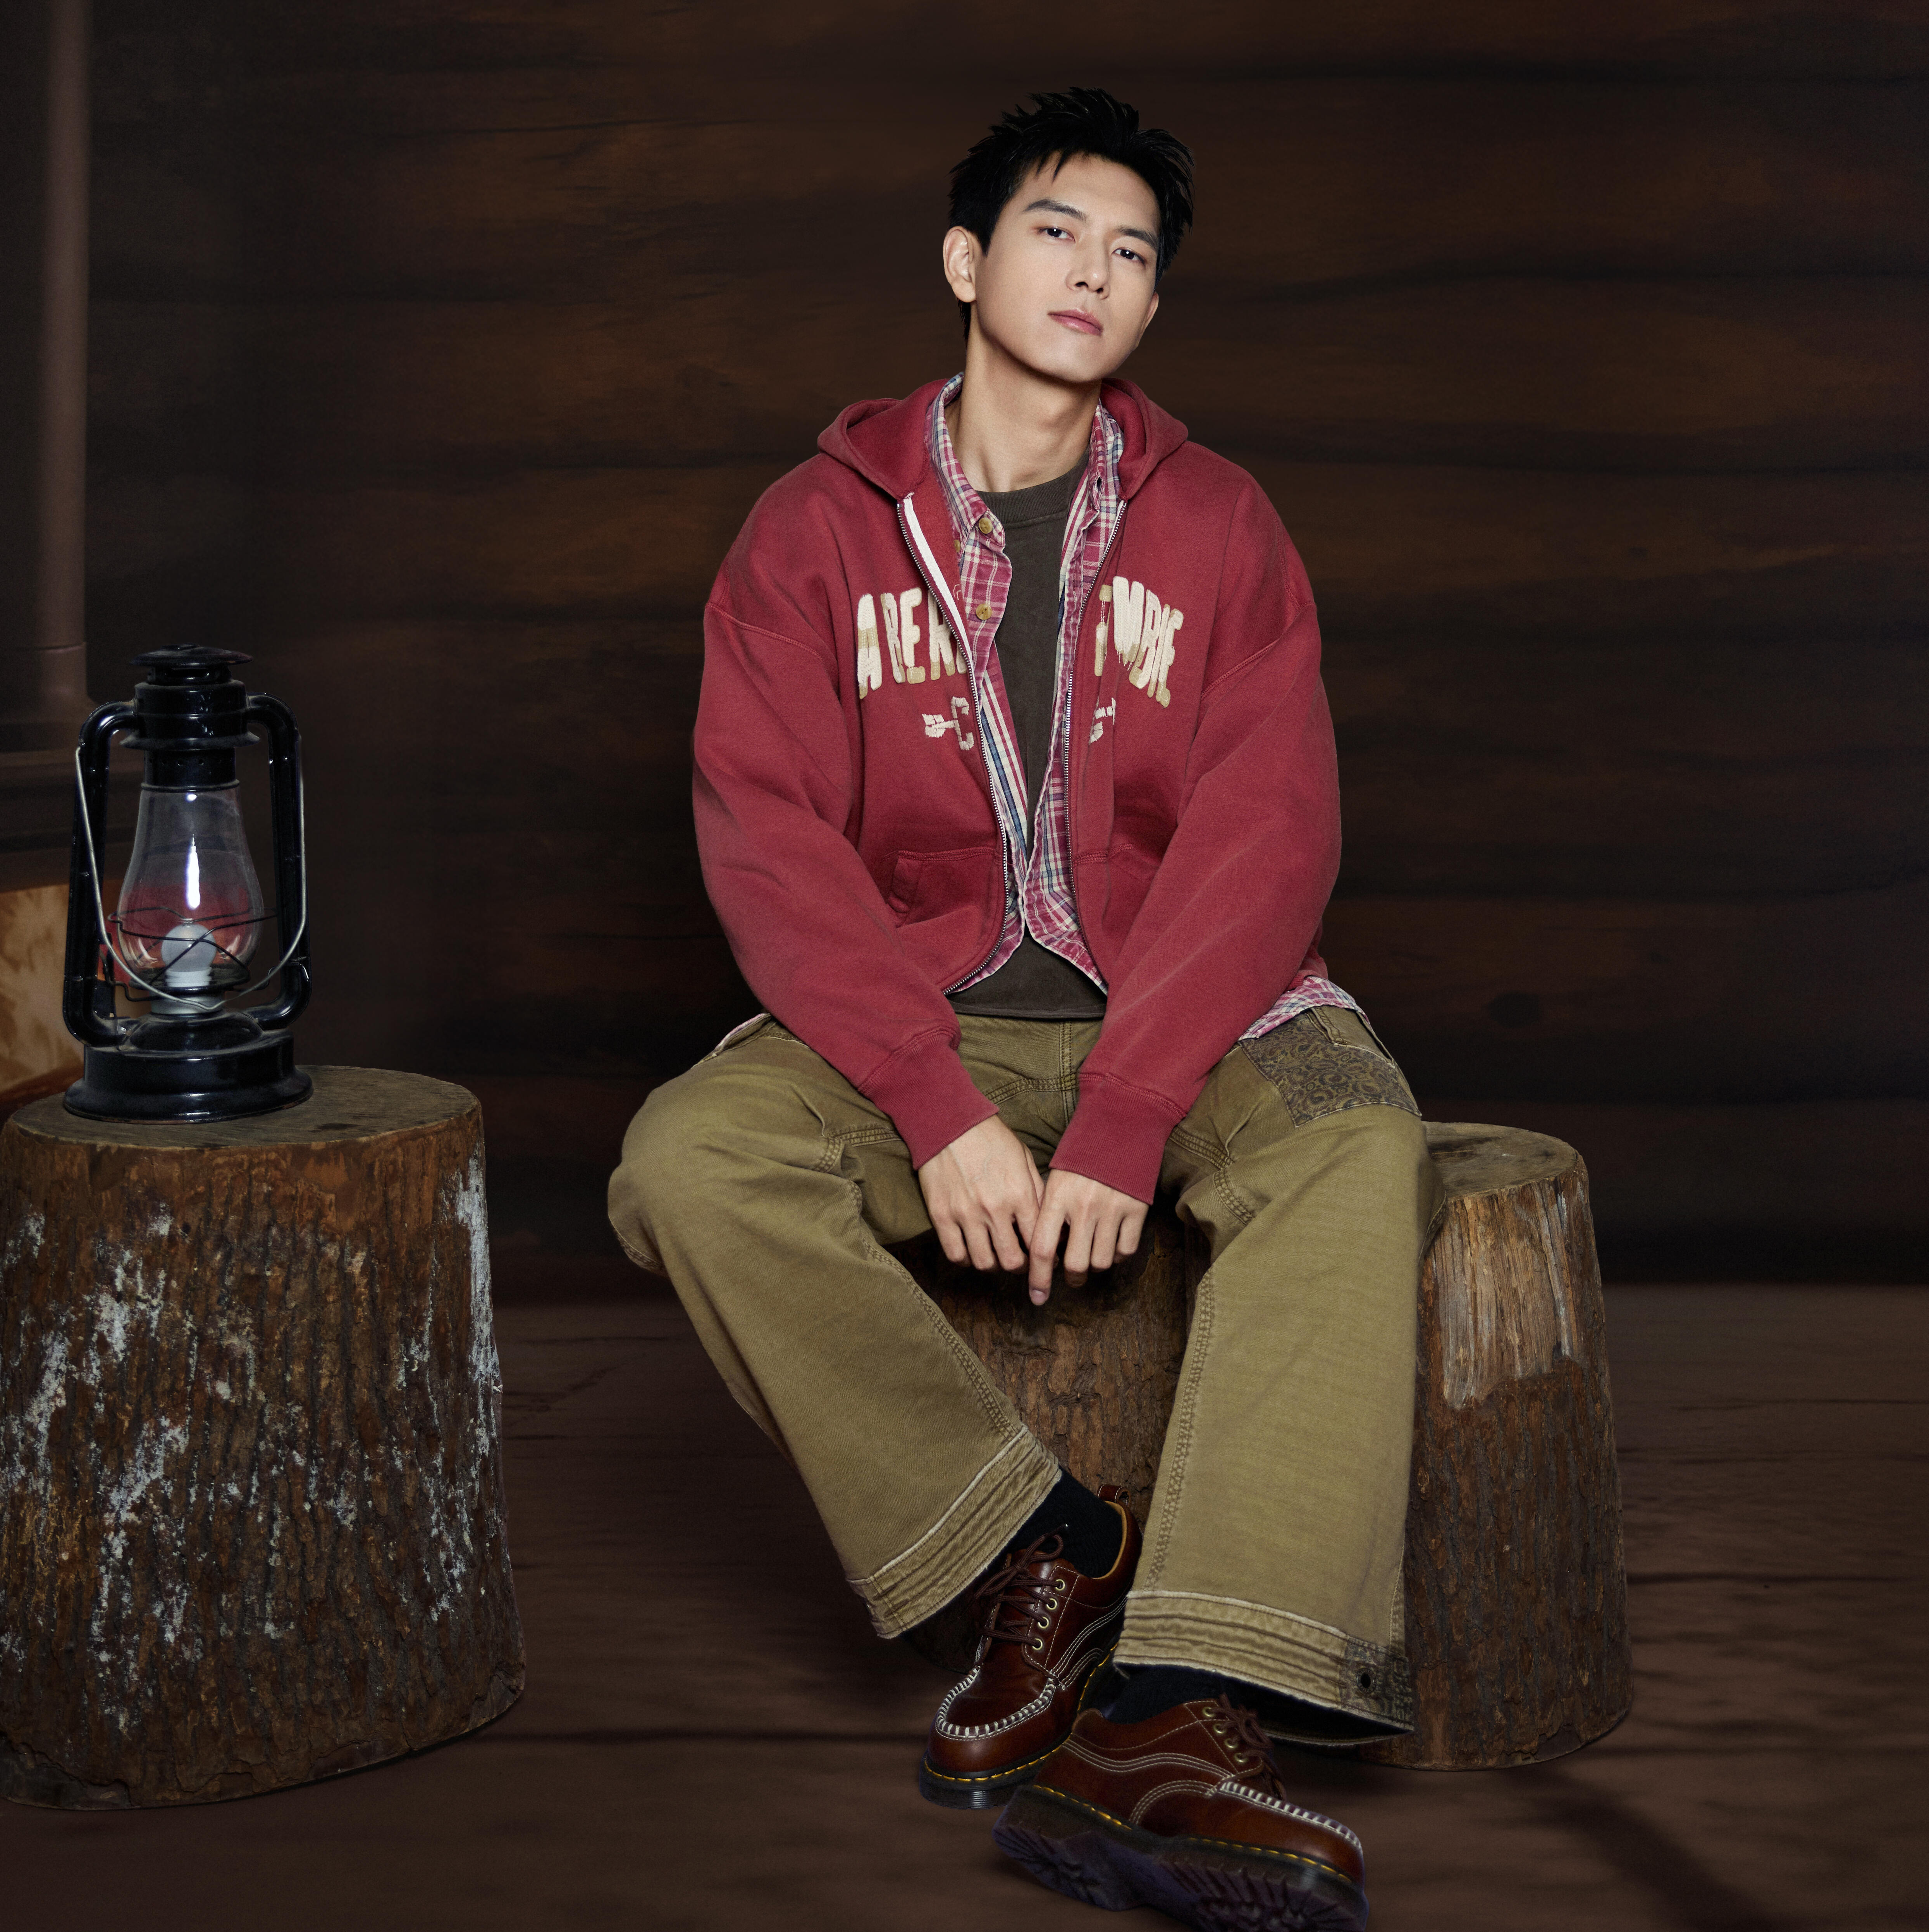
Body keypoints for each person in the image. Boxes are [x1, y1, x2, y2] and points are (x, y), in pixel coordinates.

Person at [609, 86, 1435, 1932]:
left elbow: (1268, 831)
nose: (1095, 272)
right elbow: (765, 834)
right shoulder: (811, 532)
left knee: (1361, 1145)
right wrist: (929, 1095)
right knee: (688, 1160)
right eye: (1059, 231)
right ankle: (1035, 1552)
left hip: (1202, 1012)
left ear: (1153, 307)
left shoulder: (1223, 525)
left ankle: (1177, 1712)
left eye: (1134, 253)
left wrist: (1129, 1110)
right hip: (933, 1013)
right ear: (967, 260)